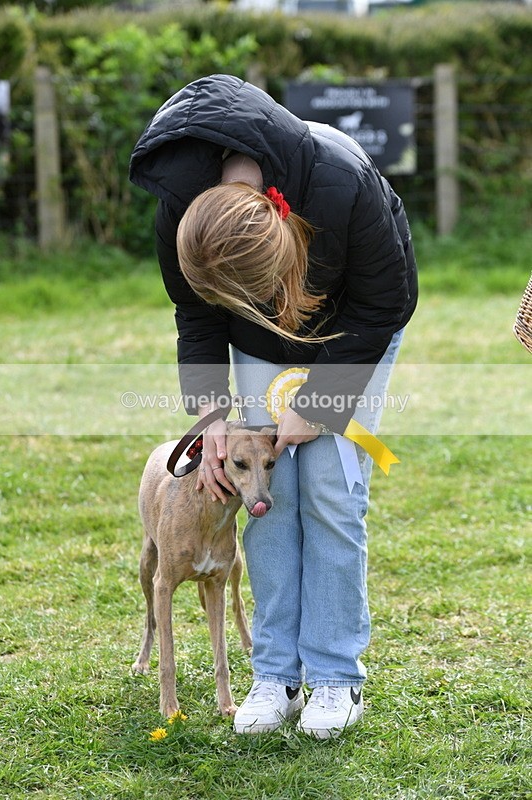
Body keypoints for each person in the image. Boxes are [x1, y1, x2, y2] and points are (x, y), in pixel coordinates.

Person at [130, 74, 418, 738]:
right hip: (254, 338)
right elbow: (197, 321)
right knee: (270, 493)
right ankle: (276, 674)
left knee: (329, 490)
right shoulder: (181, 210)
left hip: (355, 327)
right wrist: (212, 420)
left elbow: (384, 305)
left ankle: (335, 679)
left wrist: (317, 404)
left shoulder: (343, 183)